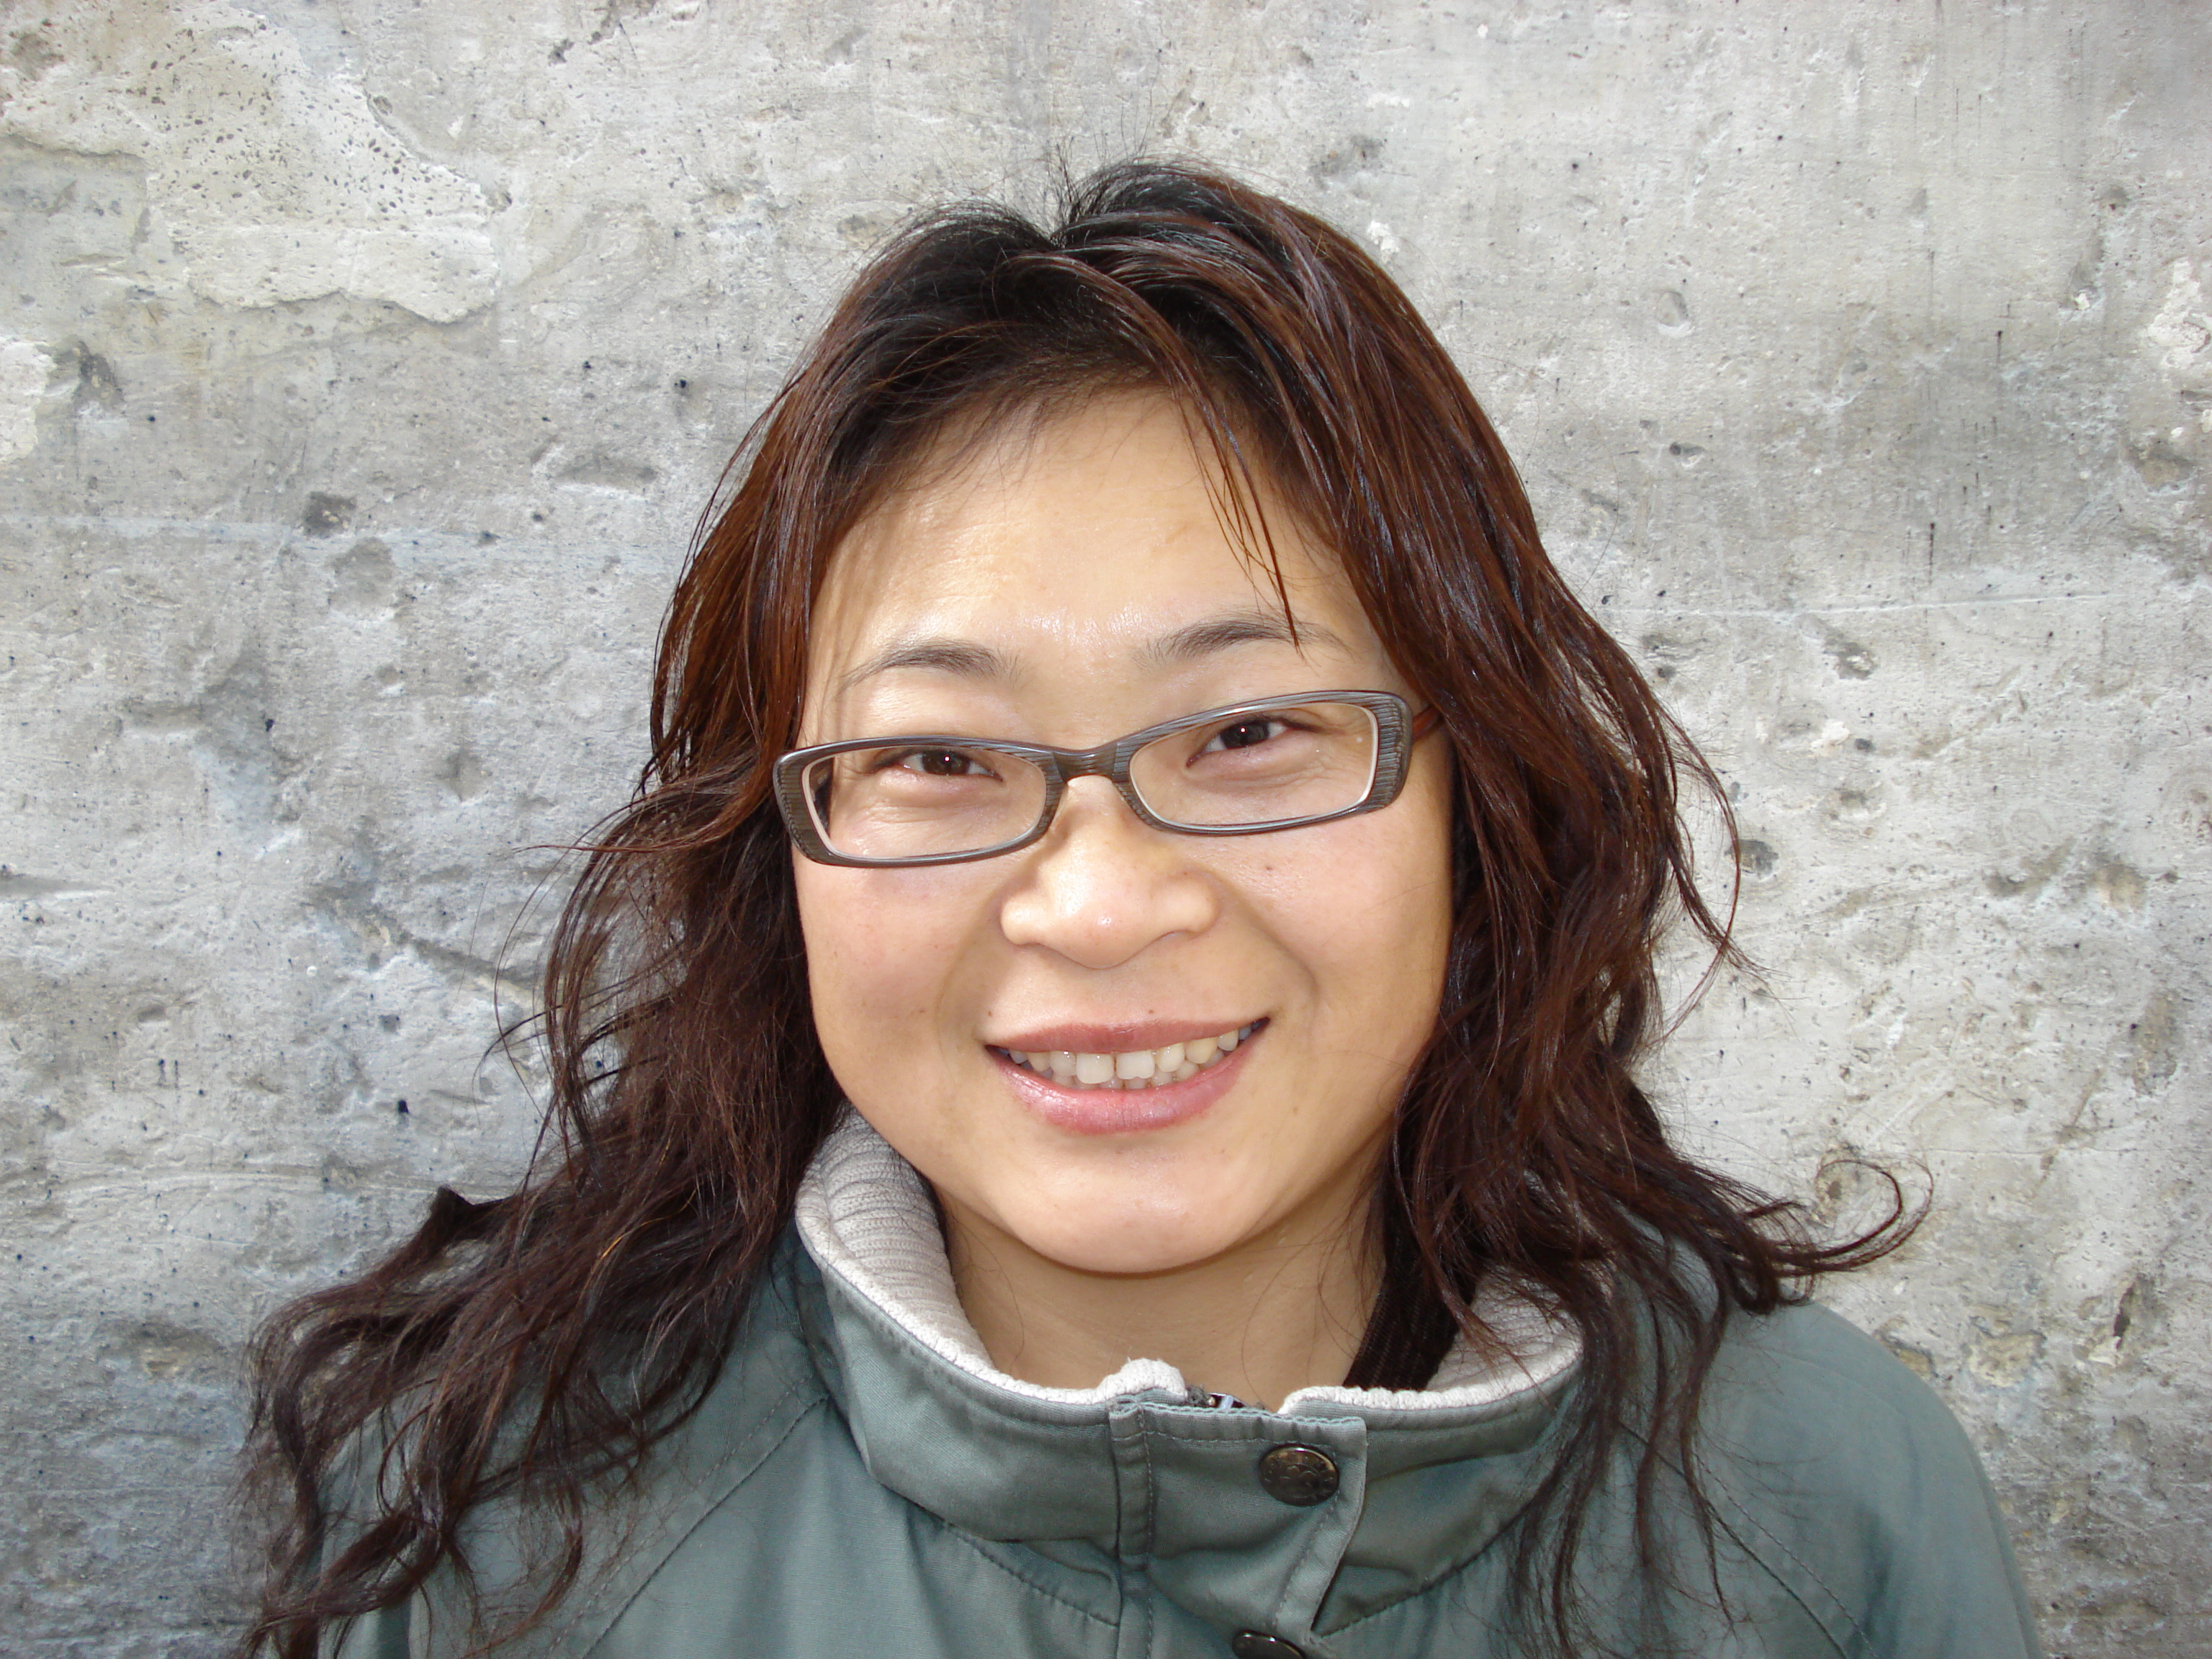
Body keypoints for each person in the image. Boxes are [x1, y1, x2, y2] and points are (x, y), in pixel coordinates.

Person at [240, 161, 2041, 1659]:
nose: (1098, 907)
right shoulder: (495, 1531)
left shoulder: (1823, 1522)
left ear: (1477, 805)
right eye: (939, 758)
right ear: (779, 854)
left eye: (1250, 733)